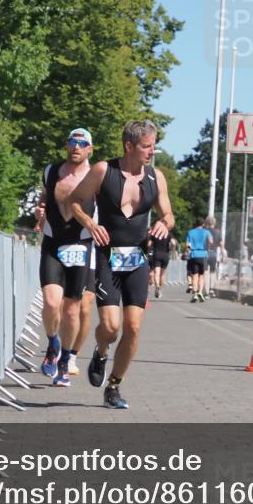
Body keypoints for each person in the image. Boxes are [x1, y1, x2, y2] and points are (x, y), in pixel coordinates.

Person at [68, 120, 174, 409]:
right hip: (107, 256)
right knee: (111, 327)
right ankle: (101, 351)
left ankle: (113, 386)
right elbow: (75, 200)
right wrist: (90, 223)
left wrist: (165, 224)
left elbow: (168, 214)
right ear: (129, 146)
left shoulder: (156, 177)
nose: (152, 151)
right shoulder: (104, 171)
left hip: (138, 258)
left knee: (134, 327)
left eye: (154, 145)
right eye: (146, 146)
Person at [35, 128, 98, 387]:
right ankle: (53, 343)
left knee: (73, 310)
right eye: (73, 142)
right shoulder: (51, 171)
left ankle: (65, 362)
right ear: (66, 145)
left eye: (82, 144)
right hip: (53, 242)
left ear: (90, 150)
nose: (77, 147)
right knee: (51, 303)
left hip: (81, 245)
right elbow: (45, 197)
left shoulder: (96, 177)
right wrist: (40, 210)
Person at [185, 218, 212, 302]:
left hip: (194, 255)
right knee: (202, 275)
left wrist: (189, 250)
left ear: (196, 224)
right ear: (203, 224)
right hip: (203, 254)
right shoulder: (206, 232)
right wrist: (208, 247)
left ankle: (195, 293)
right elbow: (211, 241)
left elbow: (187, 245)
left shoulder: (190, 232)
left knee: (195, 275)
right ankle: (200, 291)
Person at [147, 230, 176, 299]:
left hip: (156, 254)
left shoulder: (155, 233)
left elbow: (148, 244)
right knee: (162, 274)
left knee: (157, 272)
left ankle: (157, 286)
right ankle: (159, 289)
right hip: (165, 254)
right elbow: (173, 243)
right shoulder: (168, 234)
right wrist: (171, 249)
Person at [204, 215, 224, 297]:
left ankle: (206, 291)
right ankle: (212, 289)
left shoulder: (204, 231)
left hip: (205, 253)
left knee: (205, 272)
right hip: (214, 254)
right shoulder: (218, 232)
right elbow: (221, 244)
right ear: (214, 223)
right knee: (213, 272)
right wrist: (223, 253)